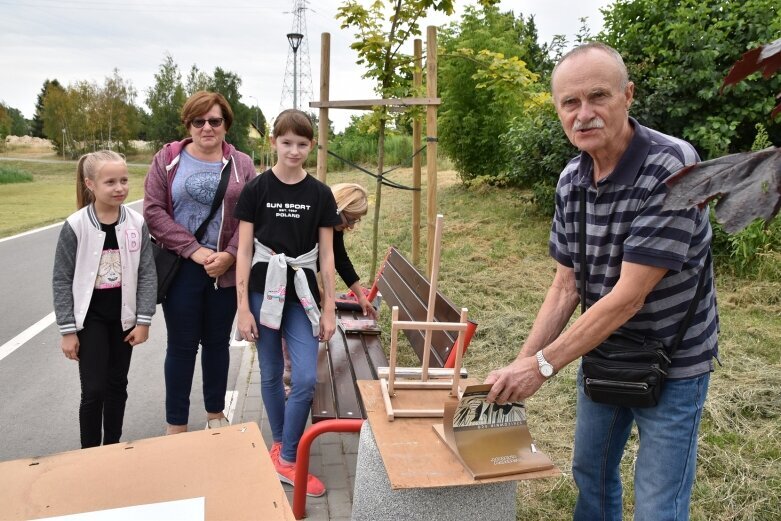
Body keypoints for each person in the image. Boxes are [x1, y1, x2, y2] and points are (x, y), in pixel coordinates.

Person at [484, 42, 718, 520]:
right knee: (590, 475)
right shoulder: (572, 179)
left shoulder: (672, 168)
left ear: (628, 95)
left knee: (658, 503)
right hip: (605, 351)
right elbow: (565, 285)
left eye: (598, 97)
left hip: (672, 358)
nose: (583, 114)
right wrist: (524, 360)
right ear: (558, 109)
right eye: (570, 102)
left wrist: (543, 367)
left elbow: (629, 297)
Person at [235, 108, 340, 498]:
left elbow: (326, 257)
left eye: (302, 143)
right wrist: (242, 306)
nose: (294, 150)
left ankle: (288, 454)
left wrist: (329, 307)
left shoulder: (320, 194)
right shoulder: (256, 190)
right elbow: (244, 251)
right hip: (265, 293)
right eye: (286, 142)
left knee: (306, 379)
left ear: (311, 145)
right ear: (274, 142)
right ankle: (282, 449)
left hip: (302, 294)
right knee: (269, 372)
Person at [144, 91, 256, 434]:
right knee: (181, 346)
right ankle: (175, 422)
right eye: (199, 121)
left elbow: (251, 217)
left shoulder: (243, 165)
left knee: (217, 344)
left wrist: (231, 255)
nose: (207, 127)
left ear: (226, 125)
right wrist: (193, 249)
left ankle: (214, 414)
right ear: (188, 124)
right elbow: (152, 211)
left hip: (223, 271)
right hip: (182, 268)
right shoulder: (167, 159)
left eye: (215, 121)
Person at [53, 150, 157, 448]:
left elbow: (148, 273)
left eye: (124, 180)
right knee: (94, 390)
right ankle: (89, 453)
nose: (119, 187)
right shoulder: (76, 225)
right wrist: (68, 331)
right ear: (90, 184)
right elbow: (61, 279)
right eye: (110, 181)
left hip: (123, 320)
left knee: (117, 386)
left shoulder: (136, 223)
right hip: (91, 321)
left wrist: (144, 321)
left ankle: (112, 447)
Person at [280, 182, 377, 394]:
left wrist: (360, 296)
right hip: (287, 281)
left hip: (305, 283)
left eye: (356, 221)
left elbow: (341, 260)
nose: (351, 226)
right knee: (293, 323)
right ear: (338, 208)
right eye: (350, 219)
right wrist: (322, 297)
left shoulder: (333, 227)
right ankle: (288, 373)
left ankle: (294, 372)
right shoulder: (312, 223)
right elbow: (299, 267)